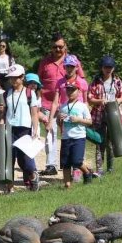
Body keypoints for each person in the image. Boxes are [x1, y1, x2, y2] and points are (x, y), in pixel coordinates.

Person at [37, 33, 85, 176]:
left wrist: (81, 104)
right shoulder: (44, 62)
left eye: (60, 47)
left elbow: (81, 82)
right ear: (51, 48)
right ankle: (51, 165)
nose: (58, 50)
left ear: (65, 47)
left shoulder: (73, 61)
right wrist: (37, 102)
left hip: (68, 104)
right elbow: (38, 83)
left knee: (71, 134)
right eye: (55, 47)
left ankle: (75, 164)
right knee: (50, 132)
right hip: (47, 103)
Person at [88, 55, 122, 176]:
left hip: (114, 116)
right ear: (102, 67)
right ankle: (99, 170)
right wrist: (100, 101)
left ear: (113, 68)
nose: (108, 69)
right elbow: (89, 98)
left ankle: (110, 169)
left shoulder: (117, 82)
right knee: (100, 142)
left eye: (110, 67)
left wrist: (117, 101)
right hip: (99, 115)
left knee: (111, 143)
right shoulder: (95, 81)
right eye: (106, 67)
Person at [4, 65, 40, 192]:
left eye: (16, 77)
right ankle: (10, 187)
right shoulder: (7, 93)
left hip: (24, 129)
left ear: (22, 77)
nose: (13, 80)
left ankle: (33, 176)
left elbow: (34, 113)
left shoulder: (30, 93)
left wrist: (35, 130)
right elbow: (5, 111)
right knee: (9, 159)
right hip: (10, 128)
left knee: (24, 160)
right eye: (11, 78)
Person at [58, 83, 94, 187]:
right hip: (66, 137)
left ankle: (87, 172)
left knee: (77, 161)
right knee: (65, 163)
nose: (70, 92)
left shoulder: (82, 106)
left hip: (78, 137)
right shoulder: (63, 106)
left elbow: (89, 122)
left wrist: (78, 120)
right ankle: (67, 185)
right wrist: (59, 120)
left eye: (72, 90)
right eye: (68, 90)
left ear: (78, 91)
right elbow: (59, 123)